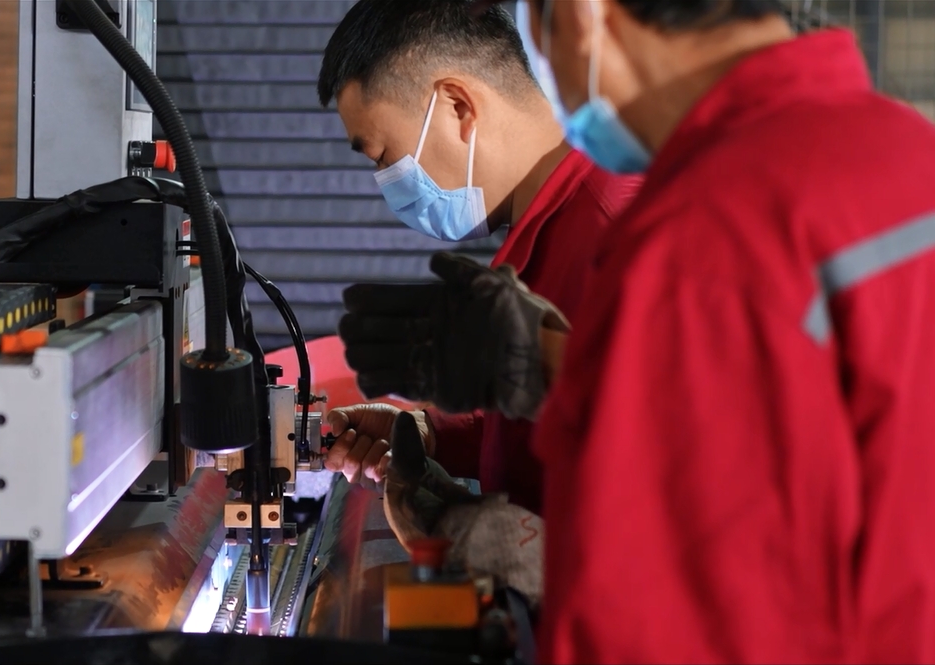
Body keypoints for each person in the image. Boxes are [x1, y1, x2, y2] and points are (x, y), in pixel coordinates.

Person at [352, 0, 935, 661]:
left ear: (580, 15)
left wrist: (528, 558)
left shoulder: (698, 238)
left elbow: (661, 622)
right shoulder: (908, 151)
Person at [314, 0, 639, 514]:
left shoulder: (615, 227)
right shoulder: (545, 232)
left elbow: (666, 430)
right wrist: (426, 432)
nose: (387, 185)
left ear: (458, 107)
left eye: (383, 156)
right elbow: (542, 411)